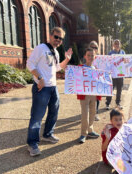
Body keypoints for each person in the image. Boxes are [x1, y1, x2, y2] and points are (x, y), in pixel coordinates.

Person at [26, 27, 73, 156]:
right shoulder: (41, 48)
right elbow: (30, 64)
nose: (58, 40)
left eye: (60, 38)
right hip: (41, 88)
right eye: (56, 37)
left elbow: (57, 68)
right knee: (37, 116)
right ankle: (32, 143)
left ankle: (48, 134)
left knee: (53, 112)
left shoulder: (56, 52)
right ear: (50, 35)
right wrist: (40, 78)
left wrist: (67, 59)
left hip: (53, 87)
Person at [77, 48, 101, 143]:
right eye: (88, 55)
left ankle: (90, 130)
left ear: (95, 57)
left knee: (92, 113)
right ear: (85, 56)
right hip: (84, 94)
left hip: (93, 94)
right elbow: (75, 78)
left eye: (92, 55)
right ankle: (83, 133)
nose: (90, 57)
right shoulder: (80, 67)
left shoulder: (95, 69)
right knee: (85, 114)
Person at [106, 39, 125, 110]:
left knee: (119, 90)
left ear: (120, 45)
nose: (117, 45)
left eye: (118, 43)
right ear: (113, 45)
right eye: (115, 44)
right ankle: (108, 103)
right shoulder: (110, 53)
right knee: (110, 89)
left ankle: (118, 103)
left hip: (120, 75)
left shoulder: (123, 52)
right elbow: (107, 63)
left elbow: (126, 62)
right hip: (113, 75)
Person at [89, 41, 100, 121]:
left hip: (98, 81)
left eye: (95, 47)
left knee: (97, 99)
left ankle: (95, 113)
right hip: (89, 82)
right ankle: (90, 113)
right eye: (92, 47)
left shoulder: (101, 58)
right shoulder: (87, 56)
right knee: (89, 98)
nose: (94, 49)